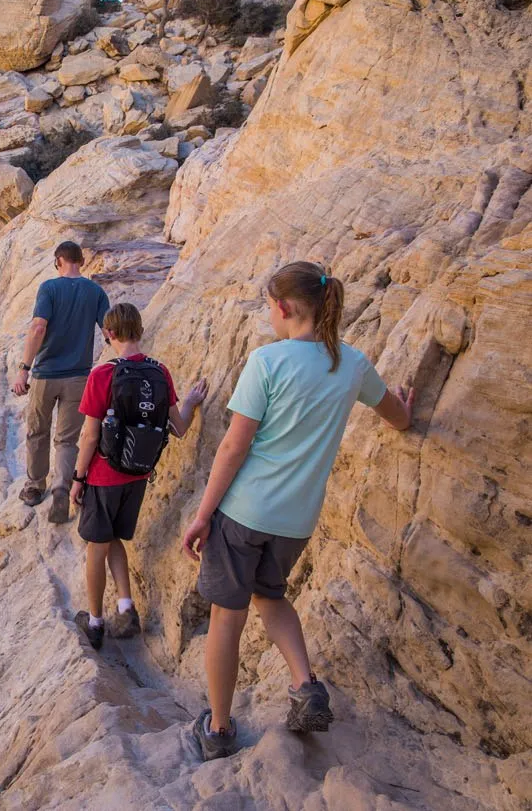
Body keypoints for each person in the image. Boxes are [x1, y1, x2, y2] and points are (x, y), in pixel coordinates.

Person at [180, 261, 414, 762]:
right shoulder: (352, 364)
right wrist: (407, 407)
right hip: (296, 523)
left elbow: (232, 450)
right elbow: (395, 416)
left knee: (227, 617)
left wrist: (202, 515)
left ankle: (218, 730)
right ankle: (305, 686)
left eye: (270, 306)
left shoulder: (268, 361)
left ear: (284, 308)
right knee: (271, 598)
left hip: (244, 513)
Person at [68, 303, 207, 650]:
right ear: (140, 332)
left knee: (95, 548)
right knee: (114, 537)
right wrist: (190, 401)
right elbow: (179, 427)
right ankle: (127, 609)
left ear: (109, 334)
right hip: (138, 476)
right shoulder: (160, 371)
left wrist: (77, 477)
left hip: (103, 475)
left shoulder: (102, 374)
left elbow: (89, 436)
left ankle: (96, 621)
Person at [12, 241, 110, 525]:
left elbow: (38, 327)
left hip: (45, 375)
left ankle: (34, 487)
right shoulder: (95, 292)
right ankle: (61, 489)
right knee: (67, 440)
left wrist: (23, 370)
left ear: (58, 261)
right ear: (81, 261)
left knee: (37, 431)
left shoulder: (50, 288)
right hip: (79, 377)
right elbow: (108, 331)